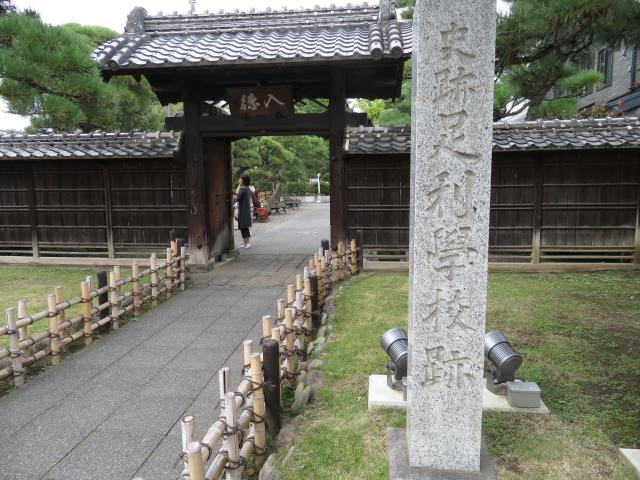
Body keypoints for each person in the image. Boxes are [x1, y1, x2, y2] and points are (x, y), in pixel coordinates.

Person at [235, 173, 254, 248]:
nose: (239, 179)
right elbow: (237, 193)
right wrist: (240, 185)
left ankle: (247, 243)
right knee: (244, 227)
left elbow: (238, 198)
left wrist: (235, 197)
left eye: (240, 178)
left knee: (243, 227)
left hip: (243, 210)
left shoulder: (243, 188)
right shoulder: (246, 188)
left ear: (243, 180)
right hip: (245, 209)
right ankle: (246, 243)